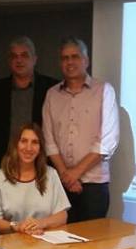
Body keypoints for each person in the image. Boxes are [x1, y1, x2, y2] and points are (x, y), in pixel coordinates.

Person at [42, 37, 119, 222]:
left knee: (93, 238)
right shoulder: (52, 94)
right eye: (65, 58)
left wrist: (75, 173)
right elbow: (49, 141)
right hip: (61, 184)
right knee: (60, 237)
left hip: (94, 185)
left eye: (75, 56)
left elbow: (107, 142)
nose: (69, 62)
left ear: (86, 60)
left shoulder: (104, 90)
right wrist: (66, 176)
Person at [0, 36, 58, 180]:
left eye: (24, 55)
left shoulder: (50, 88)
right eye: (14, 56)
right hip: (5, 166)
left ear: (34, 59)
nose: (19, 60)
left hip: (41, 166)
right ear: (9, 61)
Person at [0, 123, 69, 235]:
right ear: (15, 145)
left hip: (43, 239)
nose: (29, 148)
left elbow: (62, 216)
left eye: (34, 142)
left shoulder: (51, 175)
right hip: (10, 241)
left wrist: (40, 223)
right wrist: (17, 227)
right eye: (24, 141)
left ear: (40, 149)